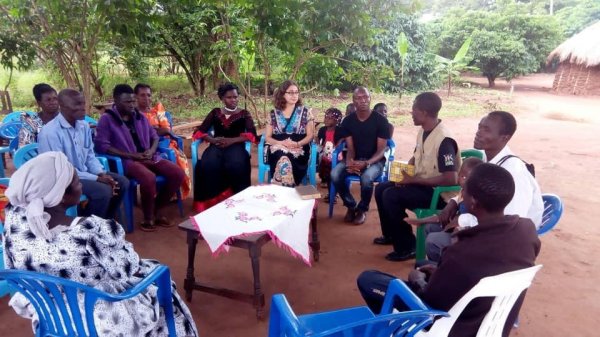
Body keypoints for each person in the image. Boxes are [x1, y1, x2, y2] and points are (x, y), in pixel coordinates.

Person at [2, 152, 198, 337]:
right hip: (102, 320)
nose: (81, 186)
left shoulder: (14, 219)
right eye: (77, 181)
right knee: (161, 281)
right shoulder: (91, 231)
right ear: (61, 196)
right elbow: (126, 270)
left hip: (52, 315)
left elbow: (11, 264)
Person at [357, 163, 541, 337]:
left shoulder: (461, 252)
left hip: (451, 327)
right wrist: (439, 272)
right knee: (424, 264)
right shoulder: (526, 230)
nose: (462, 193)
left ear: (473, 203)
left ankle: (398, 329)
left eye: (464, 190)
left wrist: (418, 281)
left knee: (369, 279)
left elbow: (430, 300)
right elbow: (485, 267)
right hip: (491, 322)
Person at [373, 92, 460, 261]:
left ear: (425, 113)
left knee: (391, 196)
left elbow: (451, 179)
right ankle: (392, 234)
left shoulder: (444, 140)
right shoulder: (423, 130)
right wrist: (404, 175)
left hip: (439, 195)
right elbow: (416, 156)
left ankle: (408, 247)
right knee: (382, 188)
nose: (411, 113)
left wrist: (413, 180)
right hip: (422, 185)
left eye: (414, 109)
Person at [95, 84, 185, 232]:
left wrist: (151, 150)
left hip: (148, 155)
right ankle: (148, 217)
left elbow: (154, 137)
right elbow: (102, 146)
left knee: (177, 173)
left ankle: (157, 208)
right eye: (127, 102)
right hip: (126, 160)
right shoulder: (107, 119)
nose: (132, 105)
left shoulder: (139, 116)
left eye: (133, 101)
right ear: (116, 101)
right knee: (148, 178)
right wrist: (131, 155)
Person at [38, 89, 129, 220]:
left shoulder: (84, 126)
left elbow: (89, 156)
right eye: (77, 105)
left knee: (122, 182)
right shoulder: (50, 132)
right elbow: (62, 169)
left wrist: (101, 173)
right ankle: (88, 228)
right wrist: (97, 179)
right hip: (61, 179)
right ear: (62, 106)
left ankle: (104, 221)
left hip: (82, 174)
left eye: (83, 103)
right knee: (103, 191)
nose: (83, 108)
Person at [191, 82, 257, 213]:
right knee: (207, 164)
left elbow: (251, 134)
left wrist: (231, 141)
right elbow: (201, 131)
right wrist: (212, 140)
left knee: (236, 164)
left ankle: (237, 201)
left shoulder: (244, 113)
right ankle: (211, 202)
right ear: (222, 98)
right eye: (229, 97)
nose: (233, 100)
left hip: (236, 145)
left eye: (236, 97)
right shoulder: (215, 112)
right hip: (216, 145)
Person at [405, 157, 483, 262]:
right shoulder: (463, 192)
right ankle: (436, 263)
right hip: (456, 225)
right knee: (429, 228)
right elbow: (449, 214)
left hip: (468, 235)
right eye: (461, 176)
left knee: (432, 240)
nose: (462, 180)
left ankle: (442, 268)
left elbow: (464, 223)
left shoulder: (476, 198)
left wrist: (451, 226)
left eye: (467, 178)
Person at [331, 87, 390, 225]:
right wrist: (350, 161)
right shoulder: (348, 121)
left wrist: (367, 163)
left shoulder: (381, 121)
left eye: (366, 97)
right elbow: (350, 148)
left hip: (375, 161)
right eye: (359, 98)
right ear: (353, 101)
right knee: (335, 174)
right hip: (356, 158)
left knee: (366, 177)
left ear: (370, 98)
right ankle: (351, 206)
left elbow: (381, 150)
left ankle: (362, 209)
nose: (363, 100)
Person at [474, 110, 543, 228]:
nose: (478, 133)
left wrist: (464, 222)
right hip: (489, 224)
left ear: (504, 138)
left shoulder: (514, 174)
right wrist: (455, 202)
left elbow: (512, 223)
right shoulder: (488, 158)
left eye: (486, 130)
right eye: (479, 127)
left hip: (506, 235)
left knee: (438, 239)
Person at [135, 83, 191, 199]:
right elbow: (148, 133)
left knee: (177, 155)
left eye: (149, 95)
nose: (147, 98)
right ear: (135, 97)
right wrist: (156, 130)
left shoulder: (157, 111)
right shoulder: (133, 114)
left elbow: (166, 129)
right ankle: (158, 194)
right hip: (146, 148)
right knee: (166, 158)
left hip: (164, 143)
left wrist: (157, 130)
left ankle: (175, 194)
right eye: (142, 95)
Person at [265, 80, 315, 186]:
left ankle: (284, 188)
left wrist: (297, 144)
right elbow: (268, 137)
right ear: (283, 94)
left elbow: (310, 135)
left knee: (287, 158)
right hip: (278, 146)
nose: (294, 95)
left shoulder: (305, 112)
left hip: (300, 147)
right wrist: (280, 143)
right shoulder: (273, 114)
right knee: (282, 156)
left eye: (296, 92)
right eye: (291, 92)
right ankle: (286, 188)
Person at [317, 107, 343, 193]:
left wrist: (338, 145)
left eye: (330, 118)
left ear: (337, 121)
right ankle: (330, 191)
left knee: (333, 173)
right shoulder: (322, 129)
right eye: (326, 117)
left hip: (336, 156)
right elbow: (319, 141)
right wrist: (318, 143)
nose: (326, 119)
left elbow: (342, 140)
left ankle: (333, 193)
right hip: (325, 155)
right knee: (326, 172)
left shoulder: (339, 131)